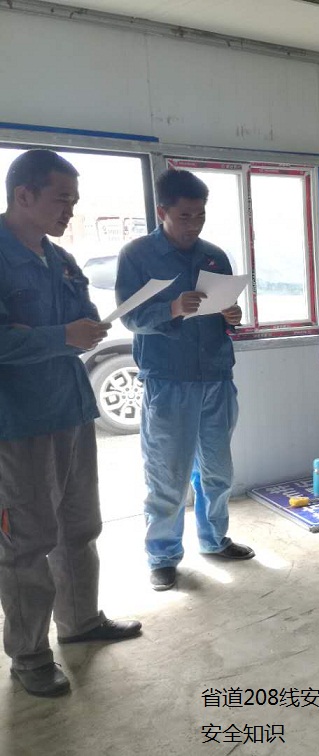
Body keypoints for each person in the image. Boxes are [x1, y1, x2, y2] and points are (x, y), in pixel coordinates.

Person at [0, 149, 141, 697]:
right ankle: (30, 655)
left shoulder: (59, 258)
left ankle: (80, 621)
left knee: (79, 526)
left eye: (75, 201)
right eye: (62, 199)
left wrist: (70, 332)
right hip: (19, 421)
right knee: (26, 542)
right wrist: (60, 336)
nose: (70, 210)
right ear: (24, 194)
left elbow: (84, 318)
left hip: (72, 409)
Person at [116, 169, 253, 593]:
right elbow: (129, 317)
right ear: (162, 211)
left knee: (218, 470)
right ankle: (162, 556)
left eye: (200, 215)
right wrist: (172, 308)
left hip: (216, 376)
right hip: (168, 379)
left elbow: (227, 314)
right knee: (167, 475)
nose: (194, 224)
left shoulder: (214, 256)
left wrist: (232, 316)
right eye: (185, 216)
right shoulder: (137, 255)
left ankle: (214, 539)